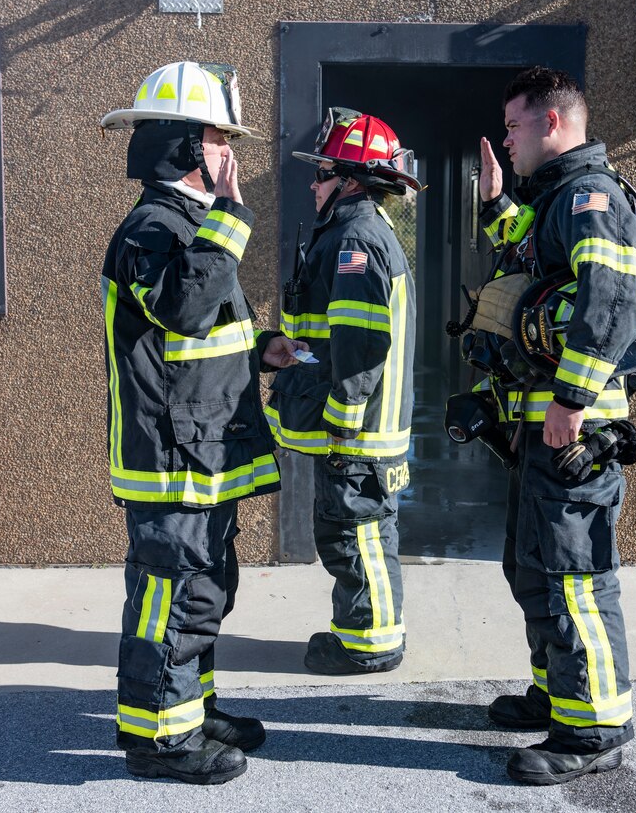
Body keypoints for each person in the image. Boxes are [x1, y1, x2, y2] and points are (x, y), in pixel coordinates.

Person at [99, 61, 304, 785]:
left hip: (201, 447)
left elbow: (202, 325)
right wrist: (230, 215)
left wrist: (263, 347)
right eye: (220, 137)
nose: (230, 152)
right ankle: (159, 739)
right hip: (171, 455)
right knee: (174, 593)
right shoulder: (155, 225)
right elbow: (182, 306)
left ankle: (191, 707)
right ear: (188, 145)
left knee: (204, 588)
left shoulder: (188, 222)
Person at [474, 67, 636, 785]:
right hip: (543, 429)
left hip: (573, 431)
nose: (507, 140)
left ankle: (594, 726)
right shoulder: (553, 202)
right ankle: (557, 691)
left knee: (575, 575)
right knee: (534, 567)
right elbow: (527, 257)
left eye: (513, 126)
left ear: (551, 122)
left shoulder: (591, 197)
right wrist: (493, 205)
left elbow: (611, 303)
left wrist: (570, 401)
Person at [264, 108, 420, 675]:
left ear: (351, 179)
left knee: (361, 533)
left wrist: (343, 417)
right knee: (346, 530)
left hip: (357, 432)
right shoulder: (352, 230)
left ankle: (373, 646)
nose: (313, 182)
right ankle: (358, 630)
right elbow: (332, 337)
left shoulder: (355, 239)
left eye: (323, 172)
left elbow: (360, 344)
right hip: (352, 427)